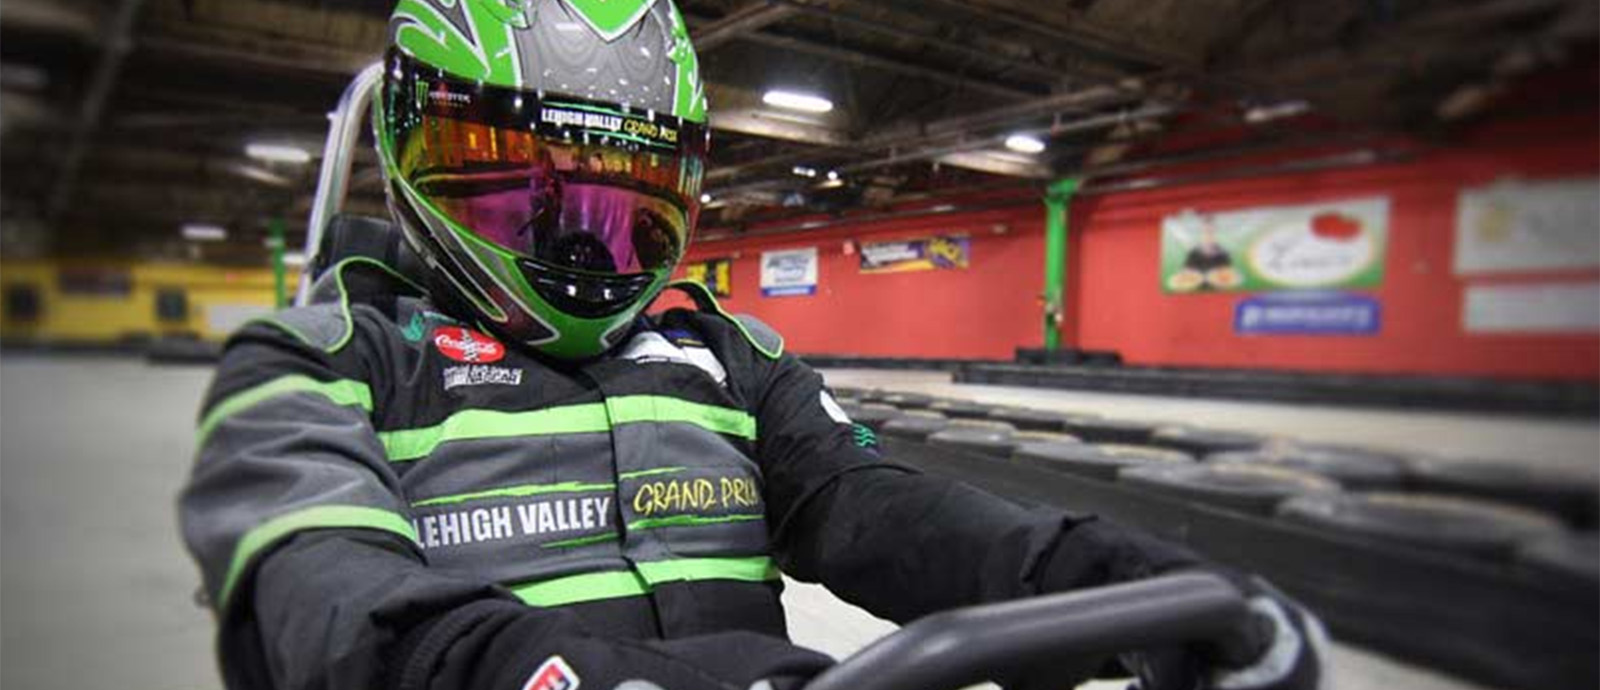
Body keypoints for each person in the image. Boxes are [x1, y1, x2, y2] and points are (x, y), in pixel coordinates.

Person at [179, 2, 1329, 690]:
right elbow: (324, 603)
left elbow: (863, 505)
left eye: (620, 192)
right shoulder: (317, 363)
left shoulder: (714, 351)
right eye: (521, 187)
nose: (581, 241)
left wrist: (1093, 573)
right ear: (408, 147)